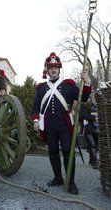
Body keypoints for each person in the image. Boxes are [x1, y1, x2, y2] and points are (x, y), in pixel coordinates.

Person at [31, 52, 92, 195]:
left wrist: (87, 81)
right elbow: (35, 107)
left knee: (67, 152)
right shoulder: (41, 88)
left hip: (65, 126)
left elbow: (83, 97)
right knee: (52, 152)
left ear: (59, 69)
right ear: (47, 70)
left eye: (56, 67)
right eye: (51, 67)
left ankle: (70, 182)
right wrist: (35, 120)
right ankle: (58, 178)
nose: (53, 70)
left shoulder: (69, 85)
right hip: (49, 126)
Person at [79, 98, 99, 169]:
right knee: (92, 144)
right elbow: (82, 116)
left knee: (95, 146)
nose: (89, 100)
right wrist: (93, 118)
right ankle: (96, 161)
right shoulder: (82, 106)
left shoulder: (94, 105)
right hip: (87, 128)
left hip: (96, 128)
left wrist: (94, 116)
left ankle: (91, 160)